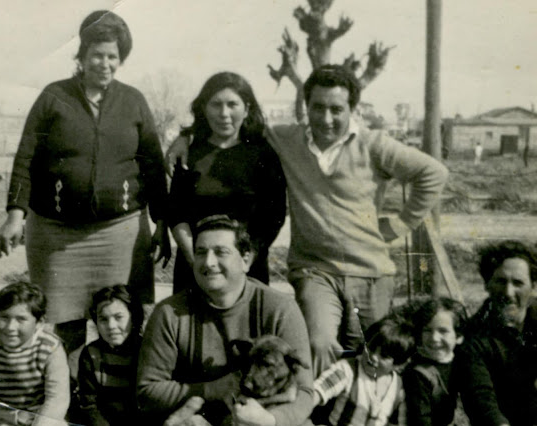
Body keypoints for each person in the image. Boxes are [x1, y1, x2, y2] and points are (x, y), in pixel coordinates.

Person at [166, 65, 449, 376]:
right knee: (318, 343)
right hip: (315, 270)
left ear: (352, 109)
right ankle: (317, 404)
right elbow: (227, 126)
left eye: (336, 109)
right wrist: (185, 136)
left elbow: (433, 173)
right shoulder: (288, 139)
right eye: (318, 107)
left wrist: (400, 224)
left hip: (370, 270)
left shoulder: (373, 144)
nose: (326, 118)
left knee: (373, 354)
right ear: (306, 106)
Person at [0, 10, 170, 345]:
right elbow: (26, 158)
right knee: (68, 325)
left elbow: (153, 166)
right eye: (97, 55)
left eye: (112, 57)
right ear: (82, 55)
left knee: (123, 323)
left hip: (119, 234)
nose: (105, 63)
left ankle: (119, 381)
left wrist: (161, 222)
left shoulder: (133, 101)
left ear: (121, 59)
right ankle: (72, 380)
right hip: (57, 234)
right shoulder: (53, 97)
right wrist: (15, 215)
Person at [136, 215, 314, 426]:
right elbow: (146, 392)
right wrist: (212, 389)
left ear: (246, 260)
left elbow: (304, 391)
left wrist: (270, 420)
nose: (209, 262)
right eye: (201, 252)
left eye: (221, 252)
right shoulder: (169, 313)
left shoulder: (280, 308)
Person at [168, 71, 286, 292]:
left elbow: (273, 215)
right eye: (216, 104)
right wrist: (197, 261)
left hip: (247, 267)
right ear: (204, 108)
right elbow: (176, 213)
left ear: (247, 109)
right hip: (195, 266)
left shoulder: (263, 154)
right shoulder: (189, 154)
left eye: (232, 104)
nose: (224, 113)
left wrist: (245, 260)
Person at [0, 282, 70, 426]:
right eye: (4, 318)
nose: (10, 327)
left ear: (39, 322)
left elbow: (56, 398)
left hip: (44, 418)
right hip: (7, 418)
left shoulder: (49, 348)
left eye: (21, 319)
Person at [456, 240, 537, 426]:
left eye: (518, 283)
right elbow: (481, 401)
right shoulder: (473, 337)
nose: (508, 292)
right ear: (487, 284)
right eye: (501, 281)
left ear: (533, 286)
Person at [312, 317, 415, 426]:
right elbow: (316, 392)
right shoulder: (348, 370)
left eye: (384, 356)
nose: (373, 357)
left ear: (398, 364)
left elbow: (402, 422)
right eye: (371, 348)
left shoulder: (398, 389)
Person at [76, 285, 144, 426]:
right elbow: (89, 405)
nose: (111, 325)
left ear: (134, 317)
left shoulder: (146, 350)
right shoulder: (91, 354)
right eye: (103, 319)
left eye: (118, 317)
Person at [403, 297, 468, 426]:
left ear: (459, 336)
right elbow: (421, 420)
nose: (434, 338)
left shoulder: (461, 361)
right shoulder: (417, 373)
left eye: (443, 331)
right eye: (427, 330)